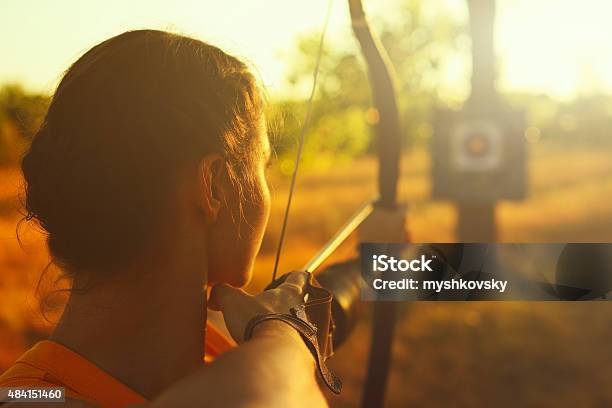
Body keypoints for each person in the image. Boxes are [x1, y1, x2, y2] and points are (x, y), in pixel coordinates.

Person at [0, 30, 327, 407]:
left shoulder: (217, 357)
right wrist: (285, 335)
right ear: (215, 185)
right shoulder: (30, 398)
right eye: (263, 166)